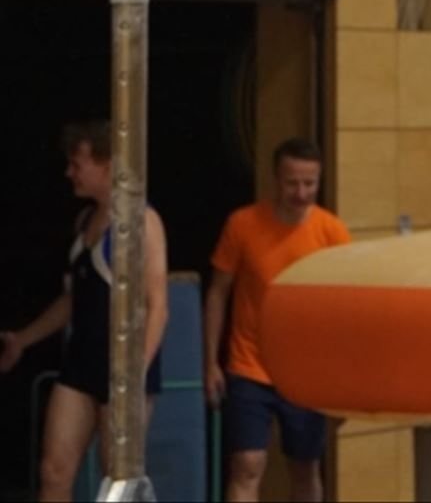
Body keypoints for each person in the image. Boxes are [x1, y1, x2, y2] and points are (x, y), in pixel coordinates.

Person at [0, 120, 168, 503]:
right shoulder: (85, 221)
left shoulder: (142, 222)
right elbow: (74, 302)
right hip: (81, 364)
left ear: (107, 165)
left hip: (122, 369)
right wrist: (22, 340)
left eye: (77, 164)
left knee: (118, 483)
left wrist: (135, 373)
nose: (69, 173)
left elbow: (157, 306)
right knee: (54, 471)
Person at [204, 137, 351, 503]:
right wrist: (210, 362)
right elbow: (218, 292)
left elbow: (345, 308)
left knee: (304, 467)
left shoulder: (331, 232)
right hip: (249, 365)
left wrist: (345, 381)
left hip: (306, 371)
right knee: (247, 464)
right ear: (275, 180)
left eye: (309, 184)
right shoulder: (243, 224)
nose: (301, 193)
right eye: (292, 183)